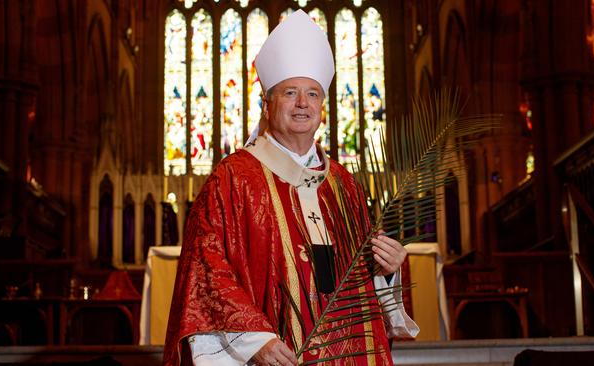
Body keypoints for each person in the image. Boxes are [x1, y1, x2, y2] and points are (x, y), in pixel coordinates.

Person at [163, 10, 418, 366]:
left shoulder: (345, 186)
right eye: (290, 93)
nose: (303, 104)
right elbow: (206, 270)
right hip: (275, 354)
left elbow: (364, 277)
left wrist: (388, 270)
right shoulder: (233, 179)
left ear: (323, 107)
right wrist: (256, 341)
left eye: (313, 94)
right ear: (266, 106)